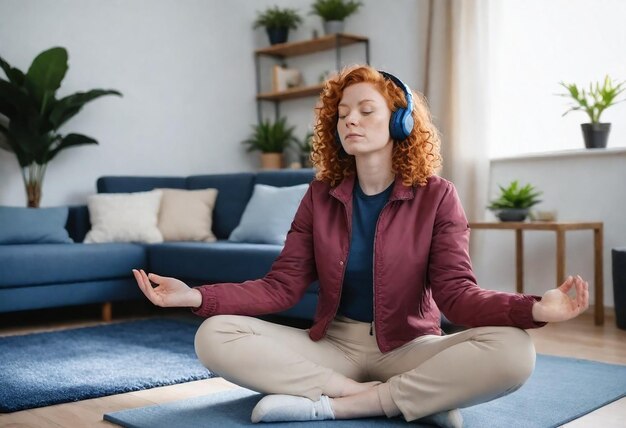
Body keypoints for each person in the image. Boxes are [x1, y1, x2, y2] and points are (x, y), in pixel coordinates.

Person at [132, 65, 589, 427]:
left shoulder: (438, 195)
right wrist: (196, 296)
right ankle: (399, 400)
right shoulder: (318, 195)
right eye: (342, 112)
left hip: (411, 348)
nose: (349, 118)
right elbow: (281, 288)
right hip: (335, 348)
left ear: (400, 119)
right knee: (213, 334)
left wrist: (533, 309)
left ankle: (335, 406)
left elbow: (457, 296)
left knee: (515, 351)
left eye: (366, 109)